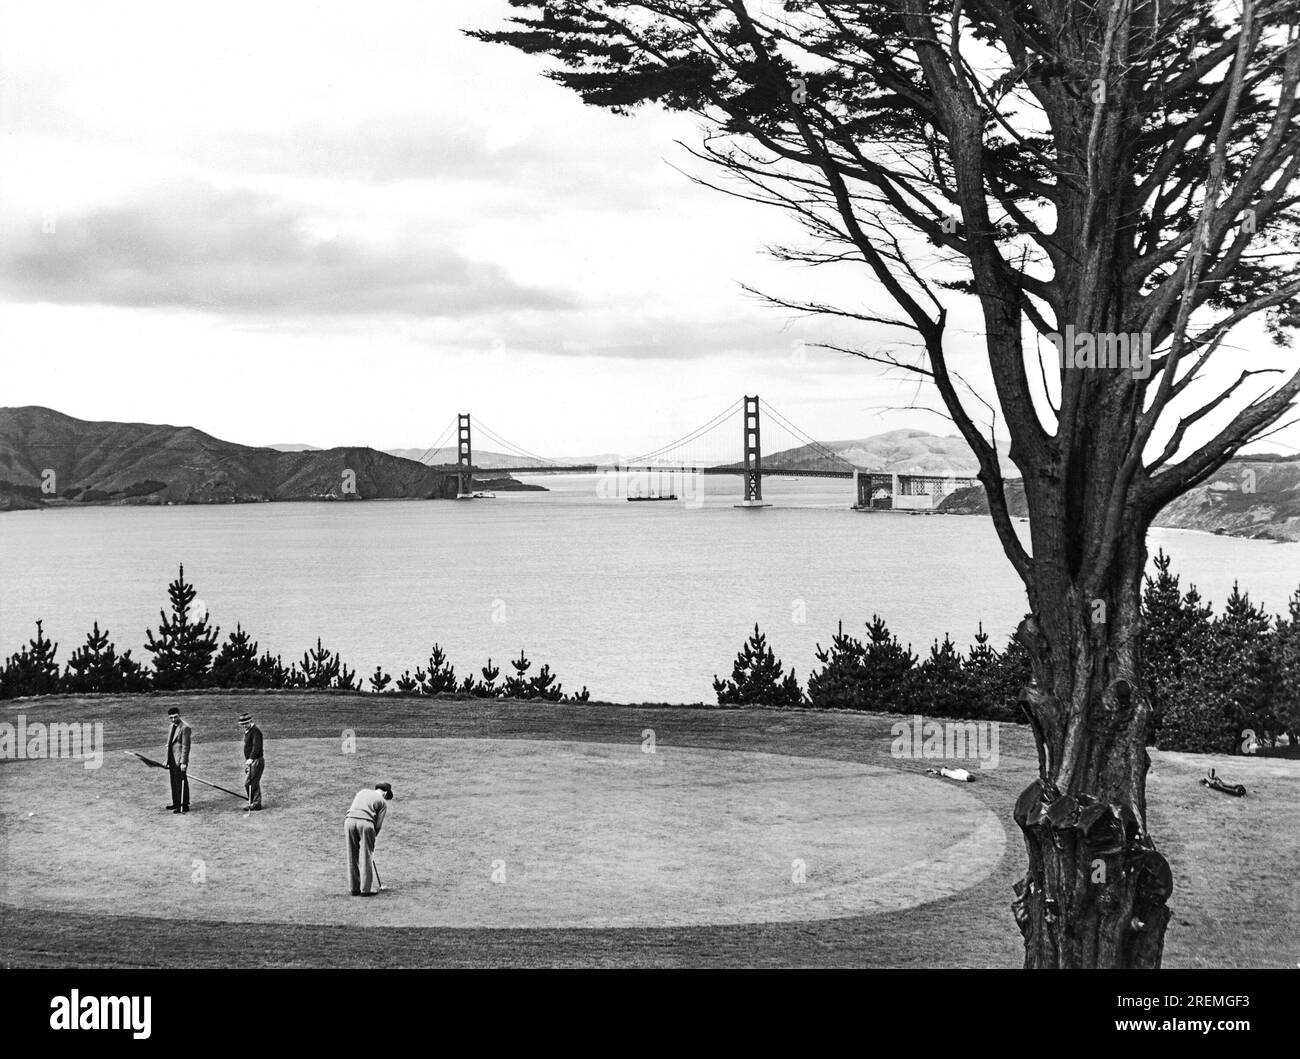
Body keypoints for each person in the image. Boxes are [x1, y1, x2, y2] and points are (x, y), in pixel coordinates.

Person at [345, 782, 393, 896]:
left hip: (349, 821)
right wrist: (371, 839)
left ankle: (354, 888)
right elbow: (378, 825)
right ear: (385, 793)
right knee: (367, 855)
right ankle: (366, 889)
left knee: (352, 854)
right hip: (366, 823)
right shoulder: (382, 802)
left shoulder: (362, 791)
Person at [165, 708, 191, 813]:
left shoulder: (185, 728)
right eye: (171, 717)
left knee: (181, 782)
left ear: (180, 715)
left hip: (179, 759)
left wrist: (183, 763)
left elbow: (186, 747)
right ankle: (176, 803)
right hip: (172, 758)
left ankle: (184, 805)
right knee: (174, 782)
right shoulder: (171, 726)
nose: (173, 719)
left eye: (175, 717)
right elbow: (170, 744)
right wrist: (166, 760)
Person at [238, 713, 264, 810]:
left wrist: (251, 759)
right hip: (252, 761)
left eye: (246, 723)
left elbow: (256, 746)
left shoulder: (255, 731)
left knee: (249, 783)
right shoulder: (248, 731)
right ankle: (255, 802)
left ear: (251, 721)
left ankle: (255, 803)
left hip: (256, 761)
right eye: (242, 724)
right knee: (254, 782)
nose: (244, 725)